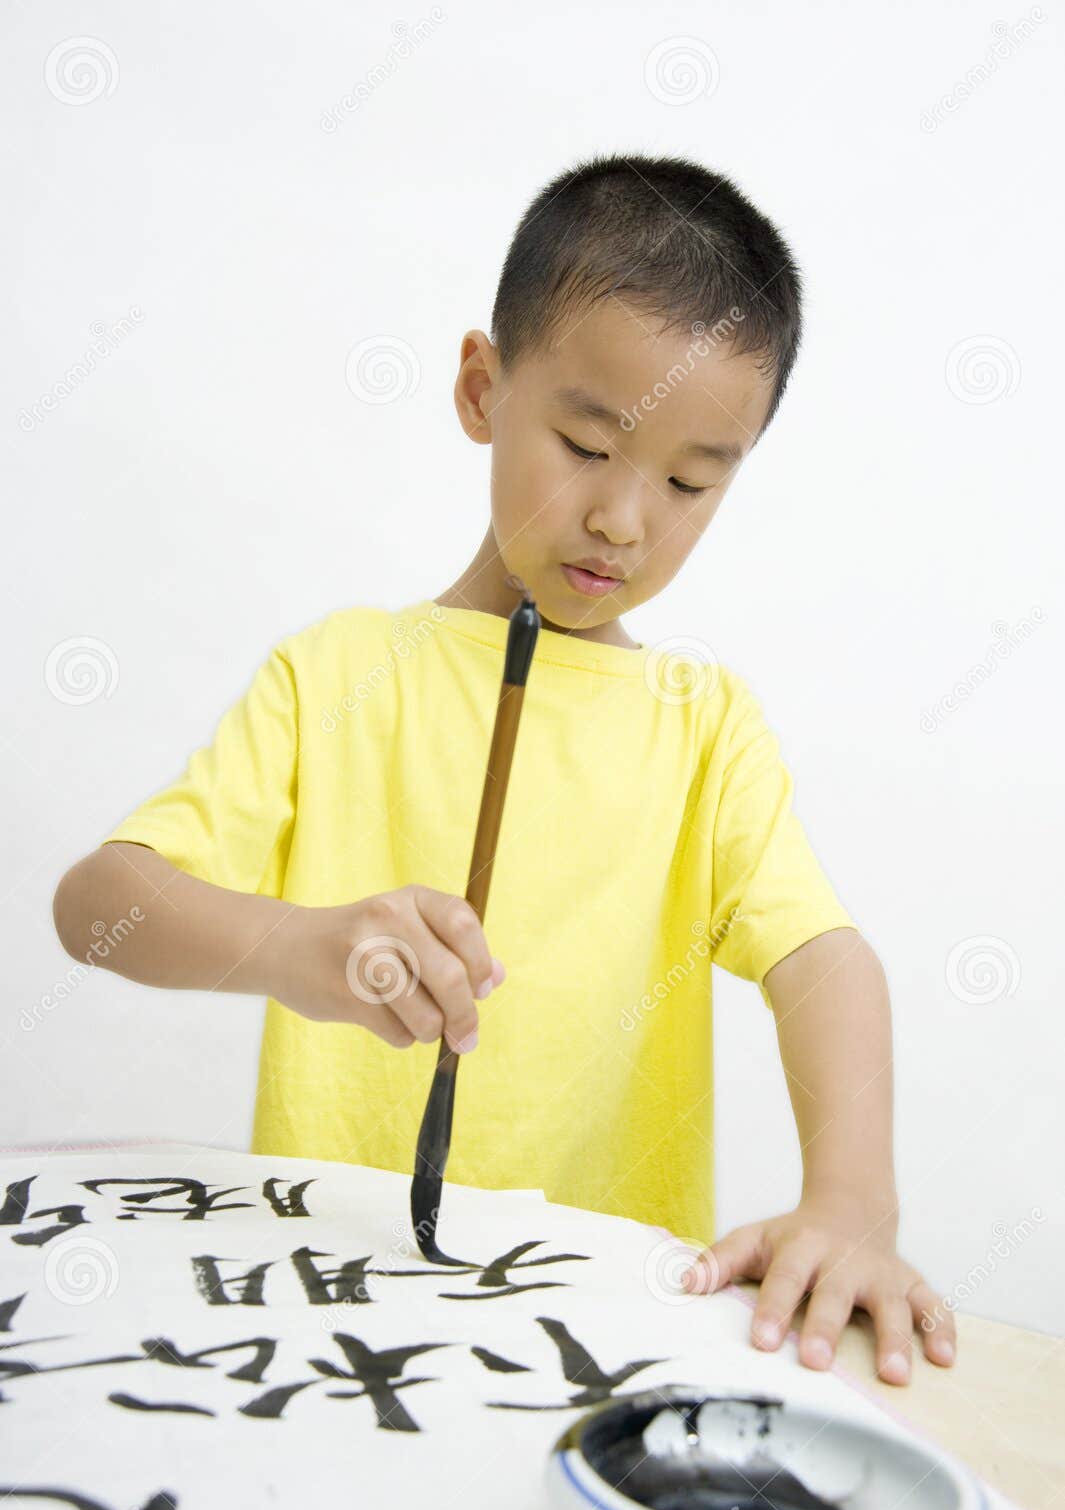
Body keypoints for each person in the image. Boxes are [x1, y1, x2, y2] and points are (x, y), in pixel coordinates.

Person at [53, 151, 956, 1386]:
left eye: (691, 482)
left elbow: (822, 961)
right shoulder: (338, 673)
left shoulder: (704, 729)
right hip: (326, 1332)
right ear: (483, 387)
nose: (625, 520)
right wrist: (302, 949)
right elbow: (99, 908)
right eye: (587, 444)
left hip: (595, 1347)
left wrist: (852, 1200)